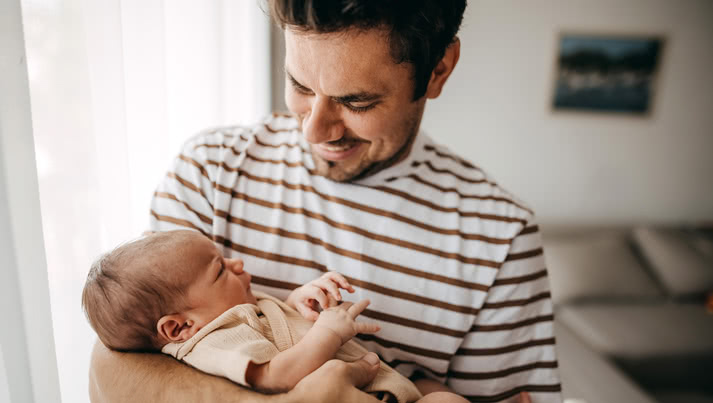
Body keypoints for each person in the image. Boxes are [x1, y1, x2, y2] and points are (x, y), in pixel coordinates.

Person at [89, 1, 561, 402]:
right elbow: (118, 372)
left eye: (356, 103)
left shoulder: (498, 235)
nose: (314, 130)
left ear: (438, 68)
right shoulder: (210, 169)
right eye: (300, 86)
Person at [83, 230, 468, 403]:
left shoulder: (230, 308)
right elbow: (274, 374)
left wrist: (300, 301)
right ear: (180, 327)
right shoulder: (215, 339)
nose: (236, 264)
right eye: (219, 269)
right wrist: (328, 335)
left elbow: (278, 329)